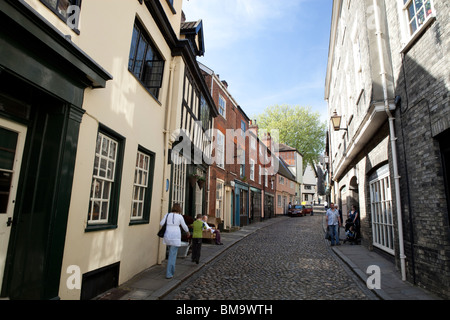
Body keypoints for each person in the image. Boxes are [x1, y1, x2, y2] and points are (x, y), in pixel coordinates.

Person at [160, 203, 190, 279]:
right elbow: (184, 226)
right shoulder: (180, 217)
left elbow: (161, 223)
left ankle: (170, 271)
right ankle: (169, 273)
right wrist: (188, 232)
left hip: (168, 235)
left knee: (171, 252)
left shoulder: (167, 215)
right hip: (175, 235)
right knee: (172, 255)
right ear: (179, 209)